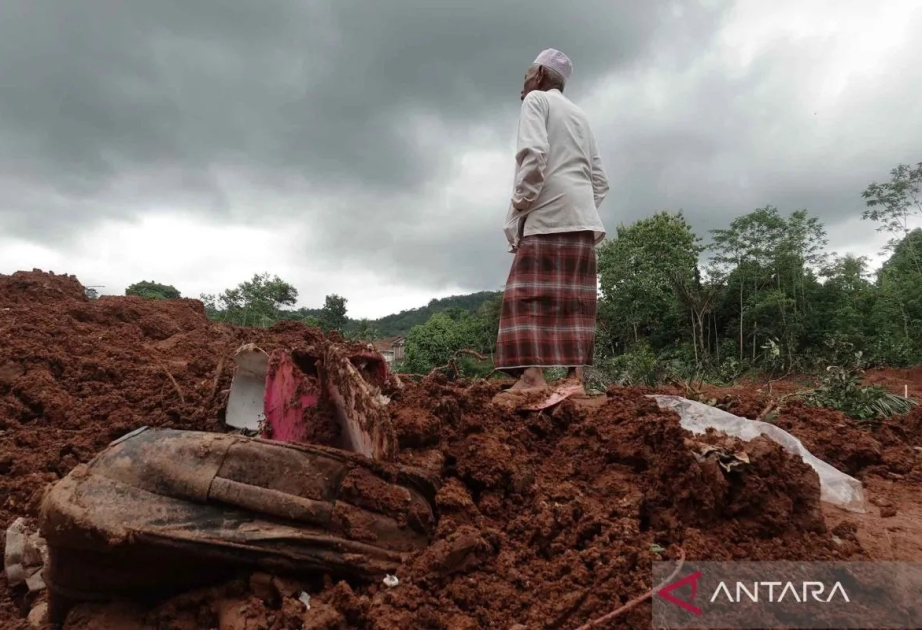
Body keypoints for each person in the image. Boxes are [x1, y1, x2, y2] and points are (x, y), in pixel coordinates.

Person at [496, 48, 609, 395]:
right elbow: (600, 181)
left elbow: (534, 157)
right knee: (574, 302)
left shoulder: (536, 102)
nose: (522, 84)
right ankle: (575, 380)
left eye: (527, 75)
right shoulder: (581, 117)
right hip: (584, 220)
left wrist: (519, 210)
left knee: (526, 298)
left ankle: (532, 377)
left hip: (546, 216)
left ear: (541, 75)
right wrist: (581, 207)